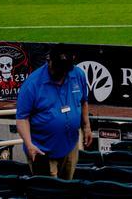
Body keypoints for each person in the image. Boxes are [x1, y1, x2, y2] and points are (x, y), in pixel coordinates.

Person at [15, 45, 92, 180]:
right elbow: (22, 118)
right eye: (58, 68)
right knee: (49, 192)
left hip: (70, 146)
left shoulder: (77, 74)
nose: (61, 72)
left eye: (64, 69)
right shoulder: (32, 84)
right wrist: (29, 144)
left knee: (66, 188)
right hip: (42, 151)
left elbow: (83, 101)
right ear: (49, 60)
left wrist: (86, 127)